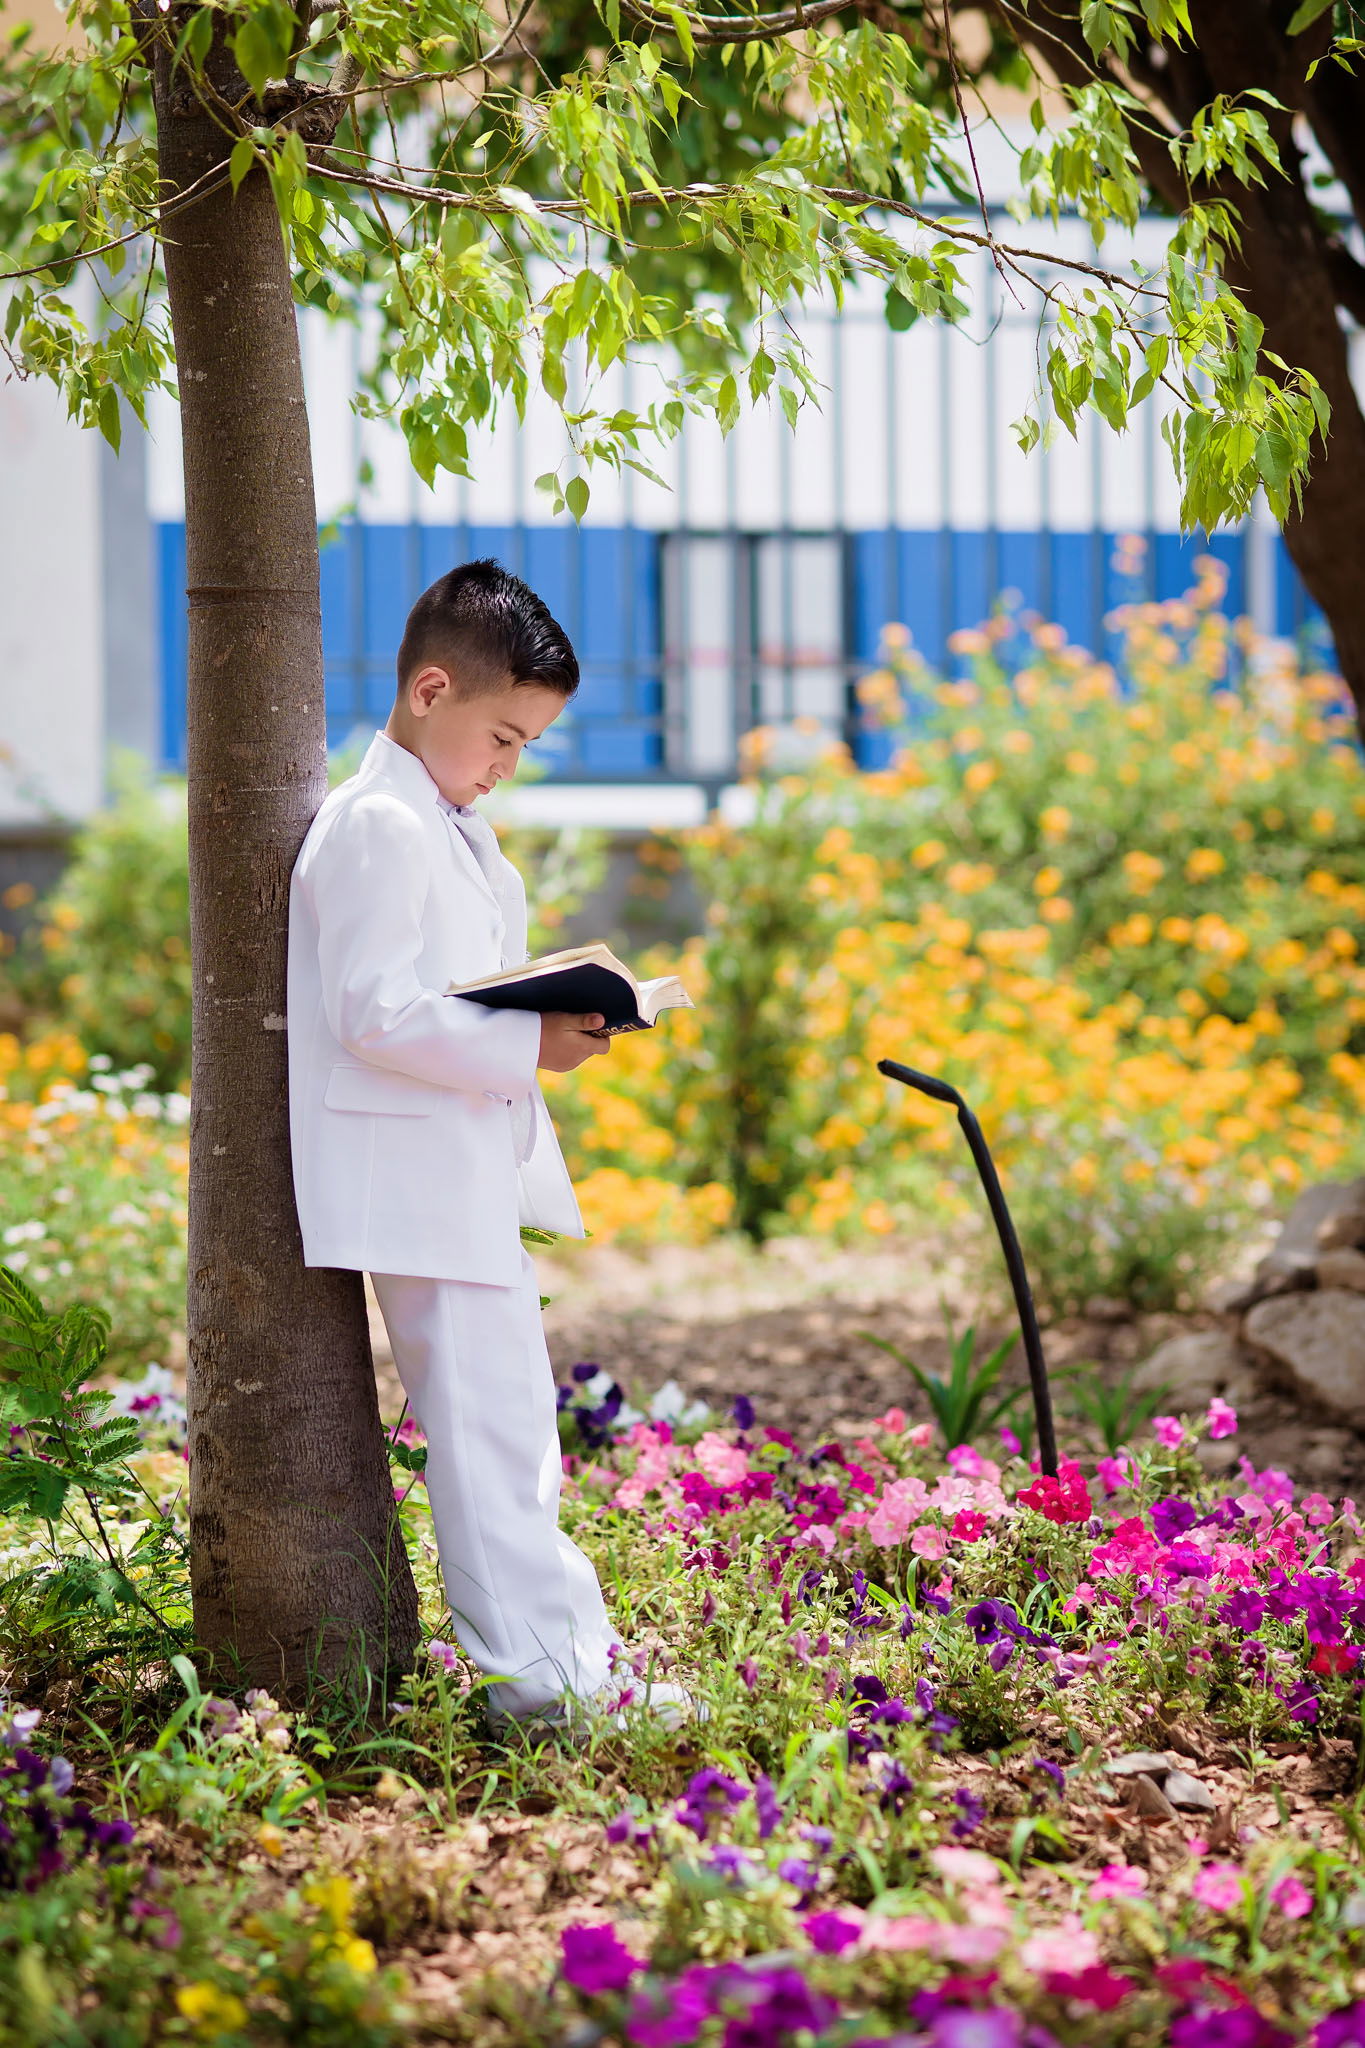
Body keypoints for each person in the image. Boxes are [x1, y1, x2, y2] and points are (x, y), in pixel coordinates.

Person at [287, 559, 694, 1731]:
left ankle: (574, 1661)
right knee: (484, 1435)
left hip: (457, 1159)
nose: (509, 763)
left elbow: (441, 990)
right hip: (410, 1169)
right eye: (503, 734)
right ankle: (537, 1685)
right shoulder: (376, 823)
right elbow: (371, 1009)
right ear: (428, 690)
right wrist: (531, 1047)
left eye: (526, 744)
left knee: (514, 1426)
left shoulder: (449, 823)